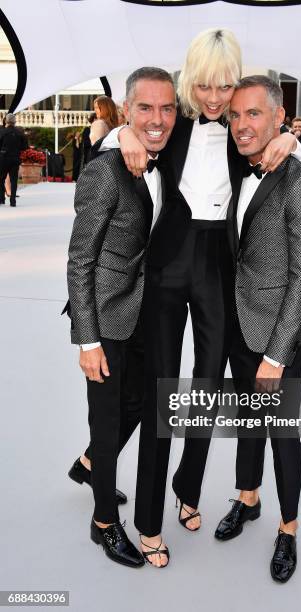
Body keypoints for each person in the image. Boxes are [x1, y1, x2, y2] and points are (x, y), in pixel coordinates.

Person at [99, 28, 301, 568]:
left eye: (225, 87)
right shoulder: (174, 122)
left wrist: (295, 141)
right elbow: (129, 130)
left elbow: (278, 139)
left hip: (219, 267)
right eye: (207, 86)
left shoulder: (243, 129)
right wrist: (121, 134)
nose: (216, 99)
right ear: (192, 81)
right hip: (167, 264)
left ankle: (188, 489)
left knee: (207, 390)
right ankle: (148, 521)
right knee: (166, 395)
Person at [214, 75, 301, 583]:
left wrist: (277, 356)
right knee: (247, 422)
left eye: (253, 114)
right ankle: (248, 498)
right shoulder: (237, 165)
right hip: (237, 323)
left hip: (279, 332)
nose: (241, 126)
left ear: (279, 118)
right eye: (235, 115)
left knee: (282, 434)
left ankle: (288, 527)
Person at [66, 67, 177, 568]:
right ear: (126, 110)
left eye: (167, 108)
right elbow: (80, 259)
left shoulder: (162, 155)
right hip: (105, 315)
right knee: (108, 420)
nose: (157, 119)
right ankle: (103, 522)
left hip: (143, 311)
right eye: (145, 108)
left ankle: (91, 464)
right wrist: (87, 341)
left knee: (137, 404)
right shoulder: (105, 169)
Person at [0, 113, 28, 206]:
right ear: (15, 122)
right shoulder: (20, 133)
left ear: (6, 121)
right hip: (15, 158)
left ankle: (1, 199)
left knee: (1, 179)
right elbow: (24, 147)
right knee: (14, 180)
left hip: (3, 159)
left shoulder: (2, 132)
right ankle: (13, 201)